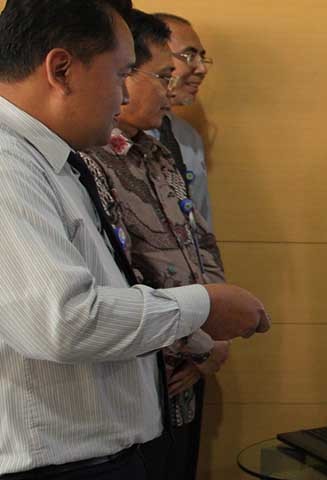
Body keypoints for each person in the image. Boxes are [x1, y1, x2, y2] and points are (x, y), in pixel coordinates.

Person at [0, 1, 270, 478]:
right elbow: (64, 322)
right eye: (122, 73)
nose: (124, 96)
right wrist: (202, 306)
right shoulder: (8, 162)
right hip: (59, 464)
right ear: (61, 70)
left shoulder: (50, 157)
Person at [78, 10, 224, 479]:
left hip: (186, 370)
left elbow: (199, 244)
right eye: (163, 76)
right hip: (134, 381)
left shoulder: (159, 153)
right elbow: (121, 272)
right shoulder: (87, 159)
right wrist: (196, 335)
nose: (170, 89)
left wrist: (212, 340)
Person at [150, 12, 215, 230]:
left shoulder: (187, 137)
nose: (202, 69)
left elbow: (201, 222)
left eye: (202, 57)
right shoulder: (107, 137)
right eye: (189, 56)